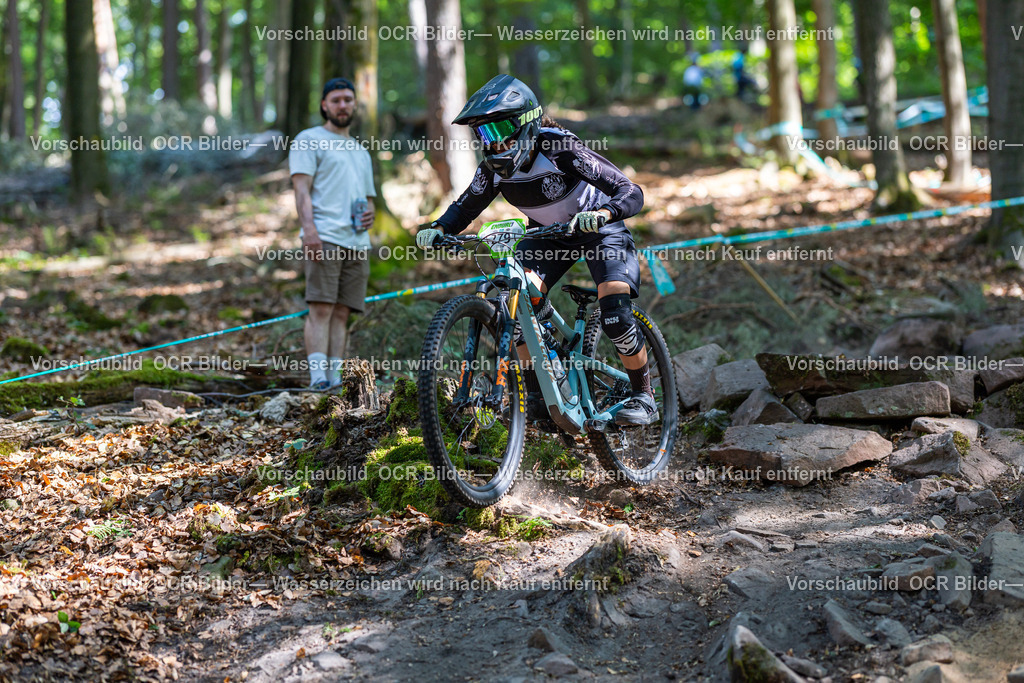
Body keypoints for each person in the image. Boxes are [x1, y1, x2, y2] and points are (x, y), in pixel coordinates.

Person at [415, 74, 657, 426]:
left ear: (526, 125)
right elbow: (465, 208)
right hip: (549, 236)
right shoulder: (493, 170)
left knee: (615, 313)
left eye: (499, 132)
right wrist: (438, 228)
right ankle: (538, 396)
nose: (493, 144)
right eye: (484, 135)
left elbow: (630, 190)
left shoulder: (559, 149)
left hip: (600, 230)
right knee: (513, 310)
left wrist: (603, 213)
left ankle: (644, 396)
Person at [289, 77, 376, 390]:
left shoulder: (360, 151)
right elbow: (301, 190)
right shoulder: (308, 139)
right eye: (336, 100)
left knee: (342, 312)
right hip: (324, 235)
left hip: (357, 241)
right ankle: (317, 380)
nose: (343, 105)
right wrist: (309, 230)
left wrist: (370, 213)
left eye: (348, 100)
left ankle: (336, 379)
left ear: (354, 105)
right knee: (321, 307)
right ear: (324, 105)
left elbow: (368, 198)